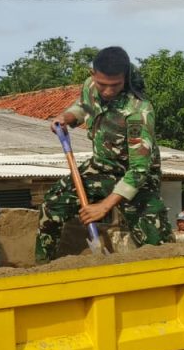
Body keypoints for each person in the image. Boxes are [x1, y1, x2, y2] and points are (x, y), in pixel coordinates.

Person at [36, 46, 173, 263]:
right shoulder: (90, 86)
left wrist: (104, 206)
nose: (107, 91)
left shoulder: (138, 111)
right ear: (93, 75)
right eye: (102, 85)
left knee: (157, 245)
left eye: (115, 85)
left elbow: (139, 171)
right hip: (101, 166)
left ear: (125, 78)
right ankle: (43, 265)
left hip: (136, 178)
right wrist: (67, 117)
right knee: (52, 204)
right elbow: (84, 107)